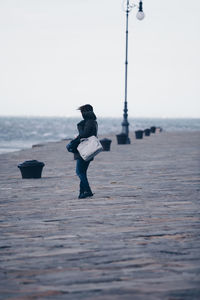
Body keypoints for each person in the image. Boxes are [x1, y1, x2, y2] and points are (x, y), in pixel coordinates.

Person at [75, 104, 98, 199]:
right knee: (83, 172)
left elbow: (84, 134)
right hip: (89, 149)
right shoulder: (93, 122)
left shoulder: (89, 122)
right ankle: (81, 192)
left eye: (81, 112)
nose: (81, 114)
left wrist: (79, 127)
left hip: (85, 150)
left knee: (79, 171)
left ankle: (88, 190)